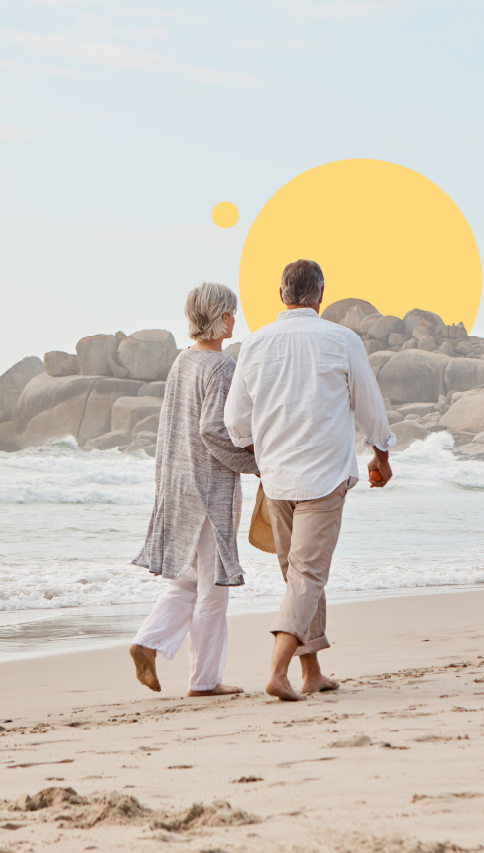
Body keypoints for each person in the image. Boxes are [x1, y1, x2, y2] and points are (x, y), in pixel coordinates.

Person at [223, 259, 396, 702]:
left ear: (281, 295)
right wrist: (381, 454)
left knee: (300, 576)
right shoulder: (341, 339)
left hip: (276, 477)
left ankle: (312, 673)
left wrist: (258, 455)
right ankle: (278, 672)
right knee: (306, 576)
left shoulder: (255, 343)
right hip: (324, 475)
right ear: (320, 296)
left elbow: (236, 421)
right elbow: (368, 403)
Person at [129, 282, 259, 697]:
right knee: (214, 587)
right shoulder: (221, 367)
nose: (234, 320)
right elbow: (214, 430)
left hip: (178, 482)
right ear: (221, 317)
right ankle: (205, 681)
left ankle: (148, 643)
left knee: (188, 580)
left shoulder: (182, 363)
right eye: (231, 313)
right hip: (208, 488)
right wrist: (256, 464)